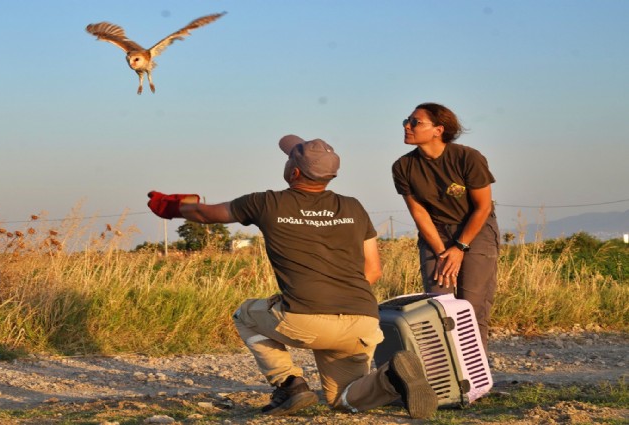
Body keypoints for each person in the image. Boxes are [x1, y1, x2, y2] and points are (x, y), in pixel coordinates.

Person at [147, 135, 438, 419]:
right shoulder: (353, 207)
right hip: (361, 321)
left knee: (245, 314)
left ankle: (289, 384)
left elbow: (204, 212)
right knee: (343, 398)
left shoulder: (266, 203)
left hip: (304, 318)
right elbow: (373, 271)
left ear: (294, 171)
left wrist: (173, 206)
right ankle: (392, 377)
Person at [392, 102, 500, 350]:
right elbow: (418, 212)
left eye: (415, 122)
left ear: (438, 130)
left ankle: (474, 381)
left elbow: (482, 207)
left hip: (475, 229)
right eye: (406, 121)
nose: (407, 126)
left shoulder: (467, 157)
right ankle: (448, 378)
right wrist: (442, 252)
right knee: (440, 305)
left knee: (471, 306)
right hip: (435, 233)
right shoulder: (403, 166)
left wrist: (460, 248)